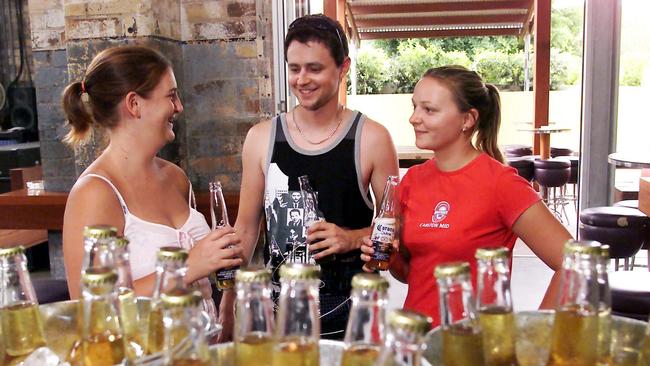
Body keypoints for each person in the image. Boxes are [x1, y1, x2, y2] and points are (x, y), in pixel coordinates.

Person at [220, 14, 399, 340]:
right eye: (294, 68)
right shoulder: (261, 137)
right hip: (277, 310)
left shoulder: (372, 138)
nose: (302, 79)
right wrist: (230, 294)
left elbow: (394, 228)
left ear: (343, 68)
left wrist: (351, 237)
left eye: (314, 68)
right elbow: (245, 227)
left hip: (350, 310)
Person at [360, 66, 571, 325]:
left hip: (474, 346)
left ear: (467, 119)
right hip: (419, 341)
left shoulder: (501, 184)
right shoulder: (412, 181)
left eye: (429, 109)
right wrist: (390, 259)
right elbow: (409, 274)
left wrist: (537, 333)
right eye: (414, 107)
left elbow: (572, 264)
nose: (414, 118)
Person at [60, 46, 243, 322]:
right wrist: (188, 266)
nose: (179, 107)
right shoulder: (94, 194)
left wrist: (227, 292)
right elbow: (91, 311)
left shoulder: (175, 177)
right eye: (171, 96)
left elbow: (204, 278)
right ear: (134, 104)